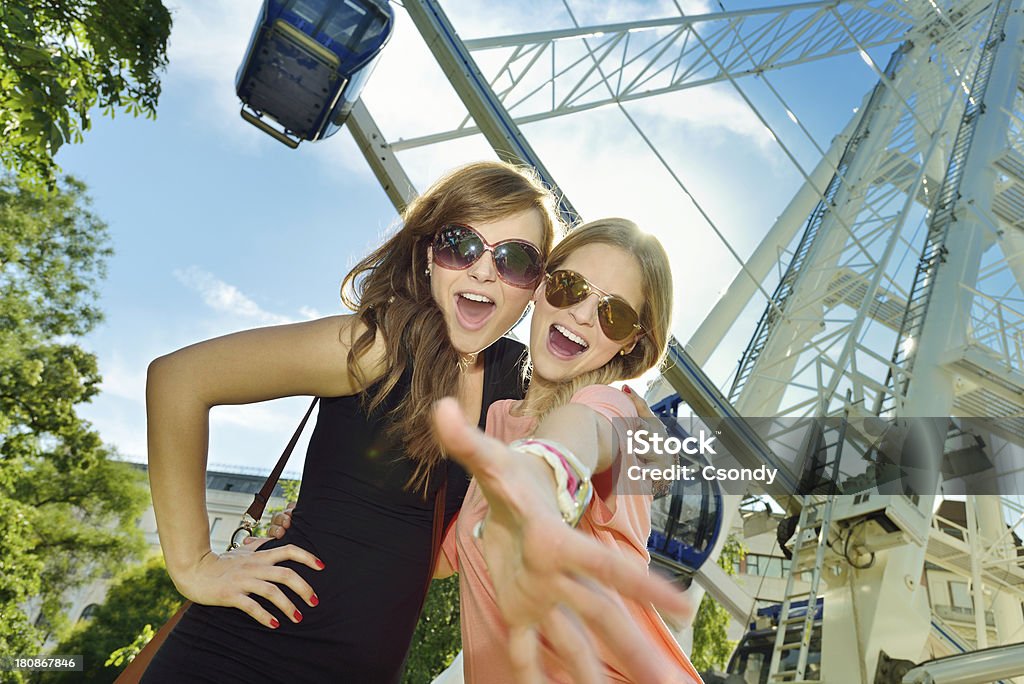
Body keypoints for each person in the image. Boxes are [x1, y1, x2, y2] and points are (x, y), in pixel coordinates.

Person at [141, 164, 688, 683]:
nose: (482, 269)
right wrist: (195, 564)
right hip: (248, 656)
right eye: (461, 245)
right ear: (429, 253)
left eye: (515, 261)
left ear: (531, 285)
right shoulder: (378, 345)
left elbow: (587, 426)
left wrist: (640, 439)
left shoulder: (510, 395)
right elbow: (178, 380)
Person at [433, 218, 703, 683]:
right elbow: (439, 558)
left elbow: (584, 433)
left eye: (613, 313)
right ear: (539, 285)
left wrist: (543, 471)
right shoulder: (499, 420)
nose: (582, 314)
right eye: (570, 286)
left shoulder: (613, 409)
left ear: (630, 341)